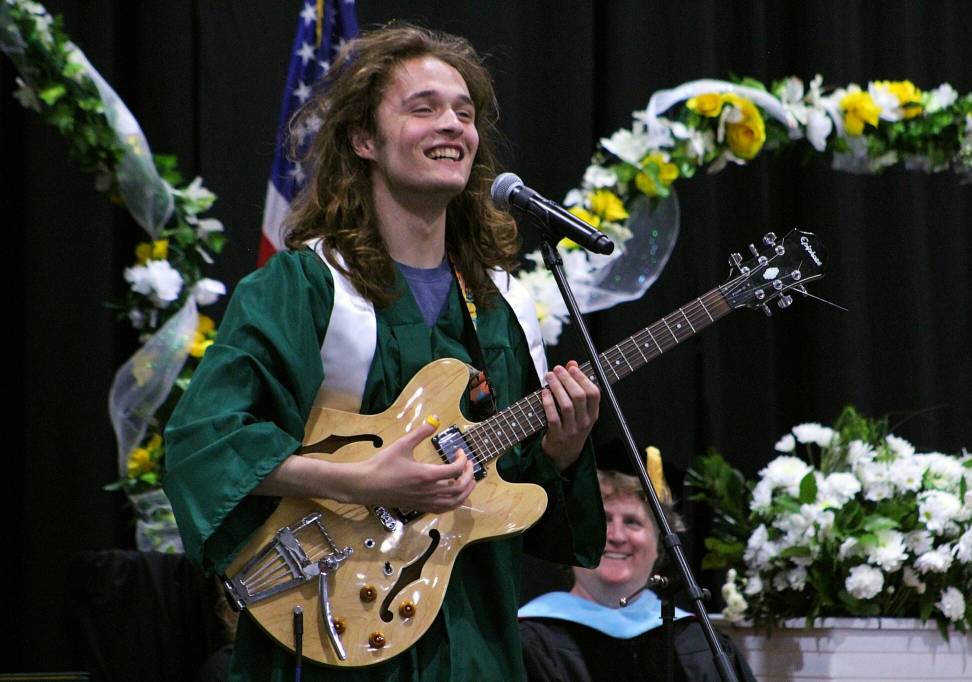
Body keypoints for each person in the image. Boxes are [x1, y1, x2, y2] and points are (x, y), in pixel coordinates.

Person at [163, 24, 606, 681]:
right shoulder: (303, 288)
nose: (452, 124)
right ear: (364, 140)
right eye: (423, 107)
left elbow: (518, 504)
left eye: (465, 111)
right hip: (333, 628)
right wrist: (358, 481)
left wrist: (561, 453)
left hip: (470, 639)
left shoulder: (489, 311)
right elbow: (207, 440)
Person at [518, 461, 757, 682]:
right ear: (571, 540)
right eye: (603, 520)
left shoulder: (699, 641)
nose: (617, 536)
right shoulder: (529, 640)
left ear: (660, 544)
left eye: (632, 521)